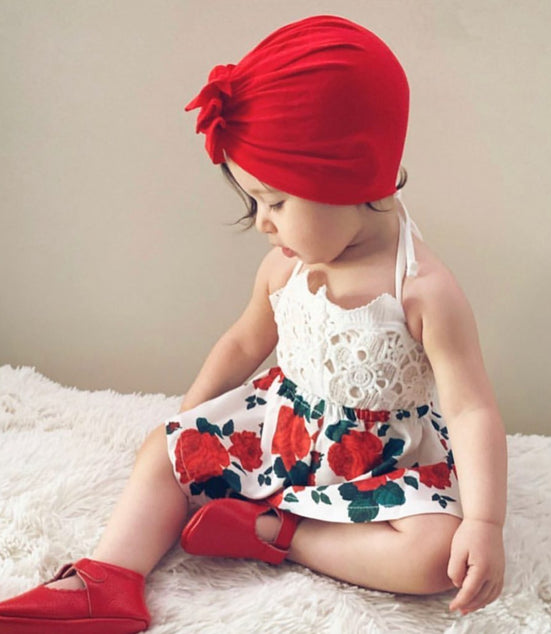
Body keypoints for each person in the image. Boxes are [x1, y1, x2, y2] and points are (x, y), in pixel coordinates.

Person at [0, 15, 507, 633]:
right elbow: (243, 342)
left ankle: (279, 533)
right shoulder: (286, 266)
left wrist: (485, 523)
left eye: (277, 202)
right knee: (161, 451)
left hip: (378, 463)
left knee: (435, 557)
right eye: (256, 203)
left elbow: (471, 409)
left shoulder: (422, 291)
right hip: (279, 432)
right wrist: (185, 422)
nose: (264, 223)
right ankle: (108, 578)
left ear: (348, 177)